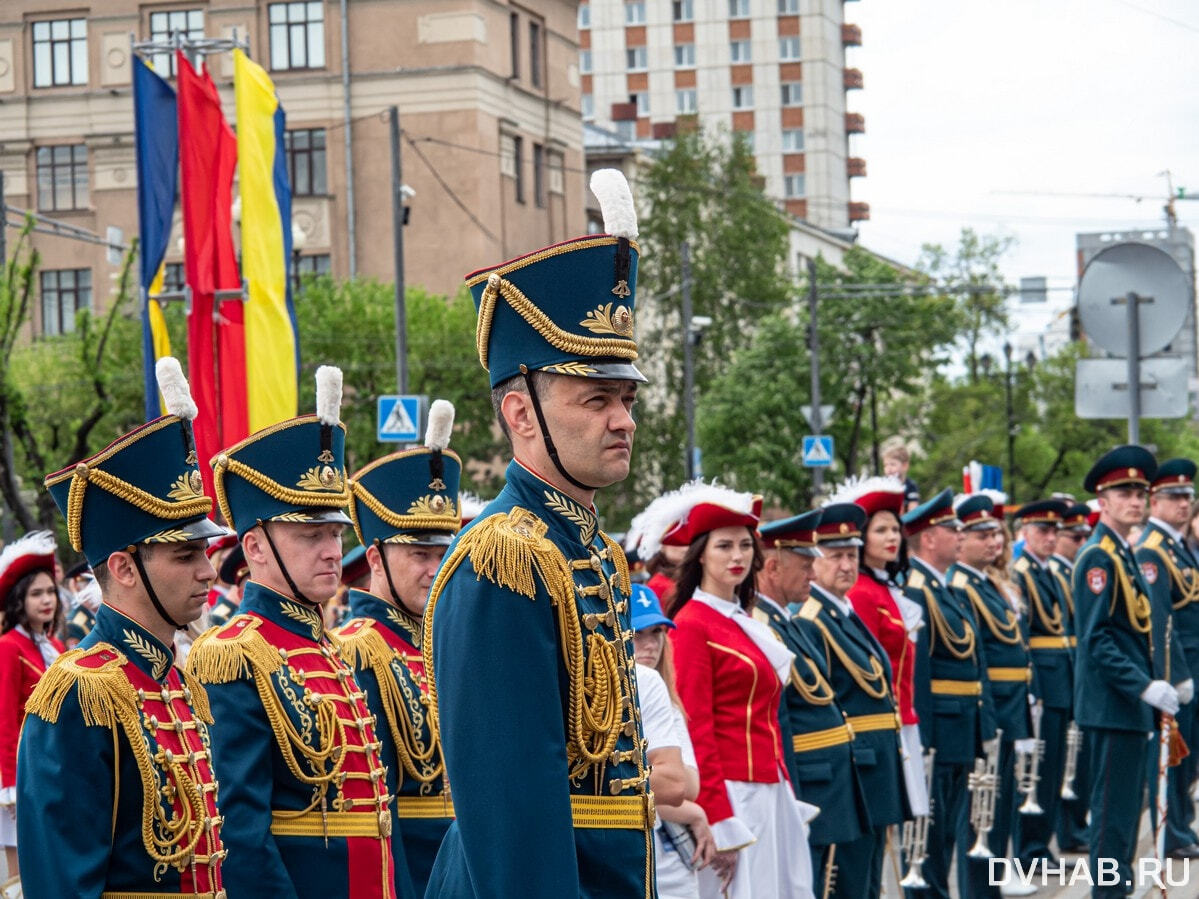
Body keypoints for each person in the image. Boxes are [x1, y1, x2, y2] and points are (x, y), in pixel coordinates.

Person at [424, 169, 654, 898]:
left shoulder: (584, 547)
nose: (623, 419)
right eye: (595, 398)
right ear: (520, 414)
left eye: (624, 397)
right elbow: (512, 806)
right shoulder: (504, 560)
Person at [19, 357, 227, 897]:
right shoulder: (81, 692)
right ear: (124, 567)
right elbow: (64, 883)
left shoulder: (176, 680)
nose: (207, 570)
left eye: (204, 551)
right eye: (185, 555)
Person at [187, 365, 395, 898]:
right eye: (310, 535)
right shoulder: (235, 655)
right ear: (254, 547)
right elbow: (240, 833)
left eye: (333, 532)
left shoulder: (330, 647)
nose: (331, 550)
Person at [647, 482, 813, 898]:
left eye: (744, 545)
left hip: (770, 789)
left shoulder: (742, 618)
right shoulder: (692, 622)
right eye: (724, 546)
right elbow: (695, 727)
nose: (737, 556)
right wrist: (720, 819)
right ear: (700, 553)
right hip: (734, 794)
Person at [335, 400, 463, 898]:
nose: (435, 568)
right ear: (375, 558)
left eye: (442, 552)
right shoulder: (359, 653)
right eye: (418, 554)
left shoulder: (444, 643)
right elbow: (374, 813)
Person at [1073, 446, 1188, 897]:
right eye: (1124, 492)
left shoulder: (1121, 552)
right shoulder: (1098, 558)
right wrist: (1144, 686)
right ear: (1103, 501)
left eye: (1141, 491)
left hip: (1126, 707)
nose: (1136, 500)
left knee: (1121, 821)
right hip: (1111, 706)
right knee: (1110, 824)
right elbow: (1097, 638)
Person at [793, 501, 908, 898]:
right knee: (847, 878)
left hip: (875, 764)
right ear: (816, 560)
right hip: (854, 766)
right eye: (836, 555)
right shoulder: (812, 620)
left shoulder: (843, 612)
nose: (846, 564)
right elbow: (825, 701)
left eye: (852, 555)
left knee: (870, 874)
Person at [757, 509, 870, 899]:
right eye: (805, 565)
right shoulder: (762, 626)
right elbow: (781, 720)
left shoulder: (791, 624)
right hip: (811, 781)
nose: (813, 573)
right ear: (771, 568)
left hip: (832, 778)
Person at [902, 489, 996, 899]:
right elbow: (917, 672)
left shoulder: (948, 590)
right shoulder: (916, 591)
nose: (961, 535)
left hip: (961, 726)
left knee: (947, 835)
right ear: (927, 538)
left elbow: (975, 664)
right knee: (930, 839)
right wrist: (922, 740)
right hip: (938, 730)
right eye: (951, 528)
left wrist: (985, 723)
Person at [948, 493, 1037, 899]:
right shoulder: (961, 587)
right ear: (959, 540)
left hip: (1012, 702)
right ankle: (979, 889)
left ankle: (994, 882)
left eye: (996, 533)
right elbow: (979, 657)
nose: (993, 541)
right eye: (981, 534)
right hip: (991, 706)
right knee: (981, 807)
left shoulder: (989, 584)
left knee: (1000, 802)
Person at [835, 476, 928, 822]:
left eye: (895, 529)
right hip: (880, 722)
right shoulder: (861, 591)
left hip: (901, 716)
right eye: (881, 530)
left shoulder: (883, 587)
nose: (892, 538)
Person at [631, 583, 712, 899]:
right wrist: (693, 813)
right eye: (638, 634)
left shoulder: (663, 694)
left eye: (657, 633)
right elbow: (677, 788)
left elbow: (686, 783)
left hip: (666, 850)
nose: (650, 645)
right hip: (641, 845)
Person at [1136, 458, 1199, 859]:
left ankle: (1182, 824)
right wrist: (1174, 675)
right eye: (1174, 496)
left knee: (1188, 754)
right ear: (1154, 501)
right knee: (1174, 754)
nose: (1183, 503)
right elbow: (1160, 619)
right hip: (1180, 665)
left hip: (1193, 660)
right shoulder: (1153, 550)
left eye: (1187, 496)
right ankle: (1173, 832)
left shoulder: (1176, 547)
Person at [1010, 499, 1074, 869]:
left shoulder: (1051, 573)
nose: (1050, 537)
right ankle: (1029, 848)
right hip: (1042, 683)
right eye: (1042, 531)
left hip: (1060, 679)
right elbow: (1023, 637)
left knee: (1052, 769)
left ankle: (1041, 846)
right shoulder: (1021, 574)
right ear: (1025, 533)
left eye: (1054, 531)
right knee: (1037, 770)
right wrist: (1031, 688)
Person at [0, 532, 64, 877]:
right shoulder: (9, 646)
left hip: (53, 769)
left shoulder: (55, 643)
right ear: (18, 600)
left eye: (50, 591)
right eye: (36, 593)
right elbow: (5, 718)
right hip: (20, 775)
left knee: (49, 865)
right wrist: (8, 784)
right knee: (19, 873)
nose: (47, 600)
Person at [1052, 502, 1094, 854]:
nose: (1081, 541)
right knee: (1056, 765)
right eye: (1074, 535)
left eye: (1085, 535)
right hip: (1050, 679)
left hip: (1068, 673)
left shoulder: (1067, 571)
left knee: (1071, 760)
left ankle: (1074, 829)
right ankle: (1055, 837)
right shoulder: (1049, 571)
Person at [883, 438, 921, 512]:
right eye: (885, 465)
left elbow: (913, 508)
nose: (888, 468)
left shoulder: (910, 486)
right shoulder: (883, 485)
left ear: (905, 466)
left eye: (892, 464)